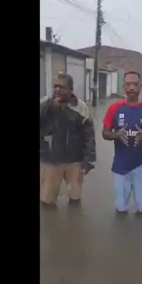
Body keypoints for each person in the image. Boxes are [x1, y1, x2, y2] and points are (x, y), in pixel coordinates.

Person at [102, 70, 142, 215]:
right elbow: (104, 133)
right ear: (123, 86)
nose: (131, 88)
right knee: (121, 209)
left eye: (134, 84)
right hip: (120, 166)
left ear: (141, 86)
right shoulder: (114, 108)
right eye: (128, 84)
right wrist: (115, 134)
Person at [40, 73, 96, 206]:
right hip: (51, 161)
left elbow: (89, 135)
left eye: (62, 87)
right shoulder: (45, 104)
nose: (57, 90)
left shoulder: (81, 107)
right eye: (55, 87)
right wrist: (49, 105)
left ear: (71, 89)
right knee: (47, 201)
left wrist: (89, 160)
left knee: (75, 198)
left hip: (75, 161)